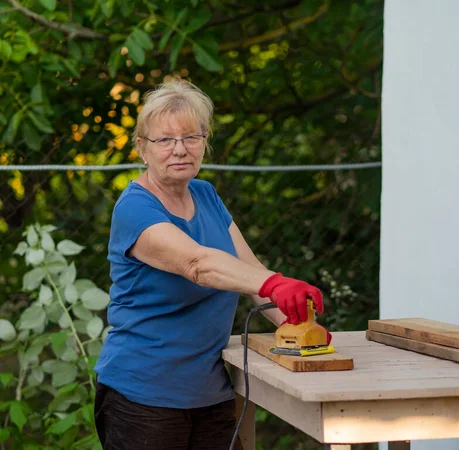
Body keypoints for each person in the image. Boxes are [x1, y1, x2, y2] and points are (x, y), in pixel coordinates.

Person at [93, 80, 330, 450]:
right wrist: (275, 284)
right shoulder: (135, 208)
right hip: (142, 396)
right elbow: (197, 264)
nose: (180, 149)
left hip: (211, 392)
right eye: (165, 140)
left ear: (205, 142)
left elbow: (250, 272)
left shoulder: (206, 194)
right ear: (142, 148)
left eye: (191, 137)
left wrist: (300, 325)